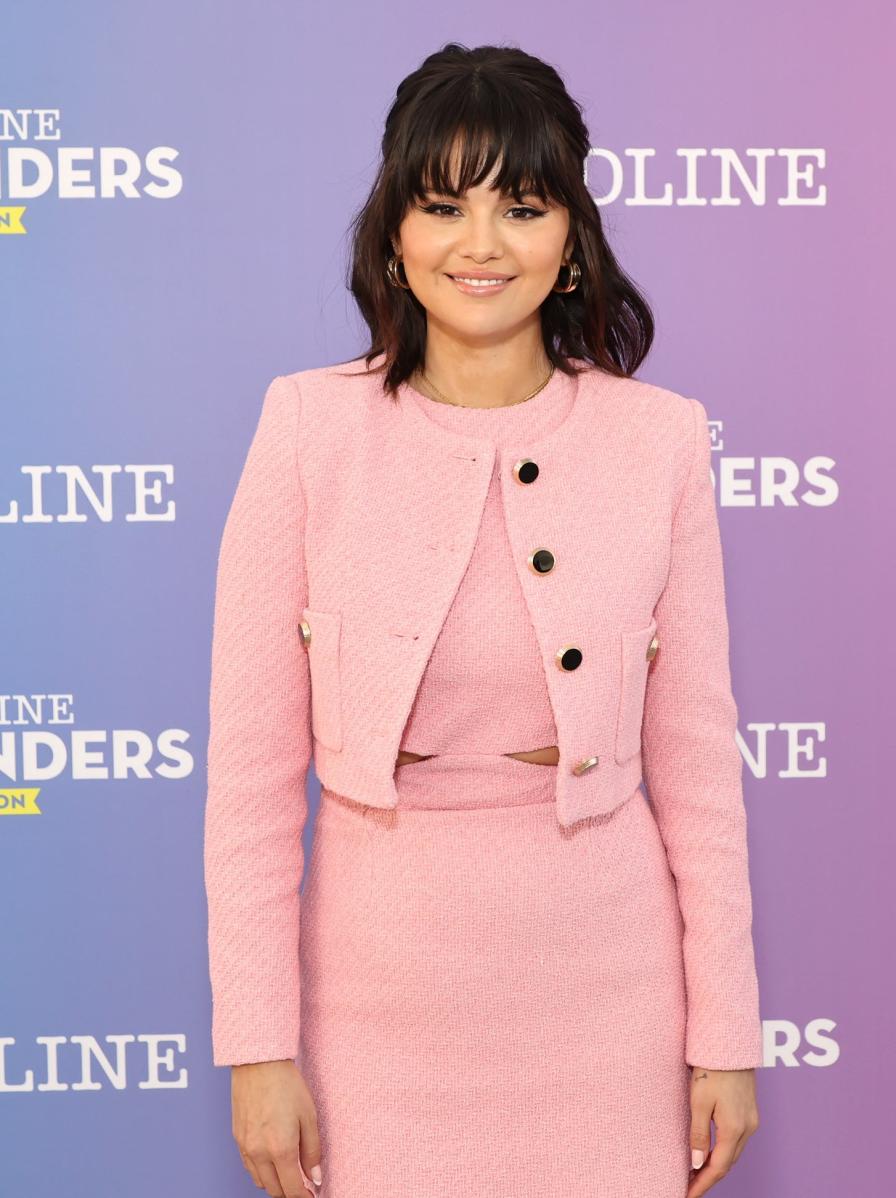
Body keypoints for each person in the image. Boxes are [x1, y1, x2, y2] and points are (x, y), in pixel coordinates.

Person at [204, 41, 762, 1198]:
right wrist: (258, 1047)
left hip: (608, 996)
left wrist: (728, 1034)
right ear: (395, 237)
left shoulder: (658, 439)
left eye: (521, 205)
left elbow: (700, 764)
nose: (480, 244)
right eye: (442, 204)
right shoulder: (308, 430)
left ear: (569, 242)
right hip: (375, 999)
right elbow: (251, 783)